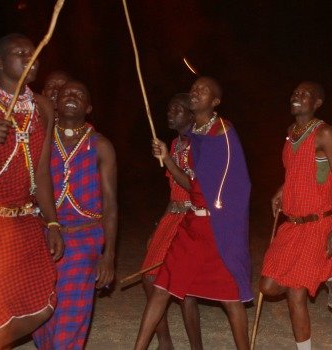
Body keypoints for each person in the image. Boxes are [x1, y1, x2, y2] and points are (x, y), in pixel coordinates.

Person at [135, 77, 252, 350]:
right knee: (161, 286)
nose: (196, 92)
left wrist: (231, 222)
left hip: (217, 228)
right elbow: (192, 185)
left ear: (215, 102)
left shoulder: (221, 132)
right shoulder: (196, 136)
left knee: (230, 298)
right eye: (194, 88)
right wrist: (166, 157)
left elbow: (237, 183)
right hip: (192, 225)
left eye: (204, 90)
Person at [0, 33, 63, 348]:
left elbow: (42, 172)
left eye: (34, 53)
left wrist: (52, 221)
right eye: (20, 52)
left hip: (25, 219)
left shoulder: (44, 107)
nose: (30, 58)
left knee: (37, 300)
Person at [259, 81, 332, 350]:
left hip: (318, 223)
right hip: (292, 224)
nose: (297, 96)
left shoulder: (325, 134)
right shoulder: (290, 133)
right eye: (295, 92)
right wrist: (281, 190)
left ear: (317, 103)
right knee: (268, 286)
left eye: (305, 94)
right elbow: (295, 172)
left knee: (295, 293)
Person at [32, 79, 118, 349]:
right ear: (56, 102)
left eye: (80, 95)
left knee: (71, 315)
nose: (72, 96)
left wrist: (109, 255)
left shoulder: (100, 145)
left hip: (84, 239)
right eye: (67, 93)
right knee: (42, 315)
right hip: (43, 236)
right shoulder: (40, 139)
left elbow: (111, 204)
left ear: (88, 107)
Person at [140, 93, 202, 349]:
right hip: (173, 215)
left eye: (176, 109)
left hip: (192, 218)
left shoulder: (200, 145)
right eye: (168, 108)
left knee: (184, 291)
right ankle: (164, 341)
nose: (170, 113)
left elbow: (192, 186)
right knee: (148, 278)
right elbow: (174, 191)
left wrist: (165, 159)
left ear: (191, 114)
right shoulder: (175, 144)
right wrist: (160, 224)